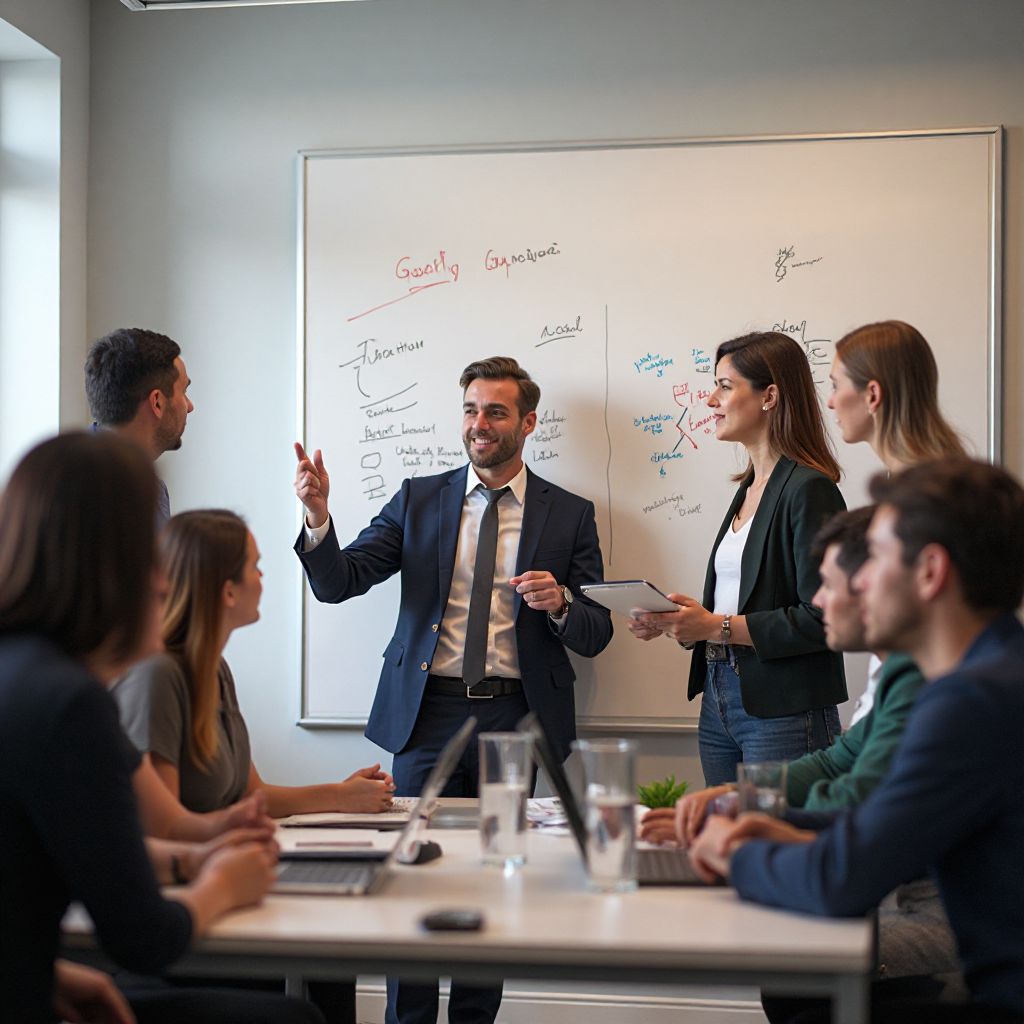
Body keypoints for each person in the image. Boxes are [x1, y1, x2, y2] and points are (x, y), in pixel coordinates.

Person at [293, 355, 613, 1024]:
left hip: (513, 721)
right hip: (426, 717)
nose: (479, 424)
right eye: (470, 409)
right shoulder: (419, 498)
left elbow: (596, 631)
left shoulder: (571, 514)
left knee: (493, 887)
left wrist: (559, 605)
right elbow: (339, 582)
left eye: (495, 411)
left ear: (527, 421)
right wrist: (320, 517)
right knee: (414, 882)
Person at [0, 432, 322, 1024]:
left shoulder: (23, 674)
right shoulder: (69, 705)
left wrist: (49, 972)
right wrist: (223, 884)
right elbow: (144, 938)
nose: (164, 577)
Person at [688, 459, 1024, 1024]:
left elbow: (839, 880)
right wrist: (777, 824)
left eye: (879, 558)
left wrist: (735, 853)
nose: (858, 581)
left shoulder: (971, 701)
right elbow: (888, 824)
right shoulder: (993, 671)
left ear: (930, 572)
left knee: (803, 992)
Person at [628, 331, 846, 784]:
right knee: (726, 846)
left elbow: (823, 620)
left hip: (783, 708)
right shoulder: (748, 490)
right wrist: (680, 622)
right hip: (719, 696)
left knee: (777, 845)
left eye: (725, 386)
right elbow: (736, 607)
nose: (710, 400)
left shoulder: (810, 489)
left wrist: (714, 625)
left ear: (769, 396)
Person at [115, 509, 395, 817]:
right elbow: (162, 829)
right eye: (254, 567)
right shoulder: (158, 675)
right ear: (229, 591)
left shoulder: (216, 669)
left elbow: (252, 794)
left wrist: (341, 795)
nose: (261, 577)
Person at [827, 318, 967, 726]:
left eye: (836, 386)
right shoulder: (917, 478)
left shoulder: (930, 493)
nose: (831, 402)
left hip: (923, 710)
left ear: (872, 394)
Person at [85, 326, 194, 523]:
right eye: (184, 392)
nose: (190, 406)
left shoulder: (152, 489)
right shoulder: (75, 489)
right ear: (157, 402)